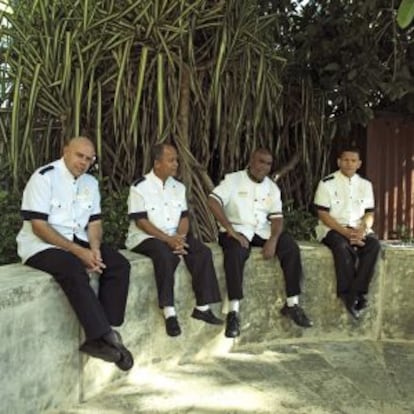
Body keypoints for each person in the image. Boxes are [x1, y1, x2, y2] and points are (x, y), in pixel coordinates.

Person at [16, 137, 133, 371]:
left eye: (89, 159)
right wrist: (80, 252)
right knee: (72, 267)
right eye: (80, 156)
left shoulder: (90, 183)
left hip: (77, 240)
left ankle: (101, 335)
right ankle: (106, 336)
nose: (84, 162)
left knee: (119, 265)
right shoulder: (44, 177)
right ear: (65, 151)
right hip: (40, 244)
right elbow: (38, 225)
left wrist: (95, 248)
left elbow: (94, 222)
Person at [208, 148, 313, 338]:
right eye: (260, 161)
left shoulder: (272, 188)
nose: (263, 167)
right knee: (235, 254)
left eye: (268, 163)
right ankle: (233, 312)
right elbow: (213, 201)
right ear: (251, 160)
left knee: (289, 246)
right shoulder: (233, 180)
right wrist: (230, 230)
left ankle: (292, 304)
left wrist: (273, 240)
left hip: (261, 231)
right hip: (237, 230)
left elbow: (277, 218)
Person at [126, 143, 223, 337]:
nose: (176, 164)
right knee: (164, 255)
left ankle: (203, 307)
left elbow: (184, 217)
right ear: (157, 163)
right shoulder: (139, 187)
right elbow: (141, 221)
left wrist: (179, 238)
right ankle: (169, 312)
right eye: (171, 160)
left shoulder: (178, 187)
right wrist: (167, 240)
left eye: (176, 160)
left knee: (202, 252)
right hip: (146, 237)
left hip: (173, 235)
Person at [313, 146, 381, 320]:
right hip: (333, 228)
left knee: (373, 245)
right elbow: (323, 214)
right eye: (345, 160)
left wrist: (362, 230)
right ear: (339, 162)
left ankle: (355, 293)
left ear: (359, 164)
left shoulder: (365, 185)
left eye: (353, 160)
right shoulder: (327, 183)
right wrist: (345, 232)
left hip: (358, 228)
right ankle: (348, 293)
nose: (349, 163)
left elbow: (369, 213)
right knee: (342, 246)